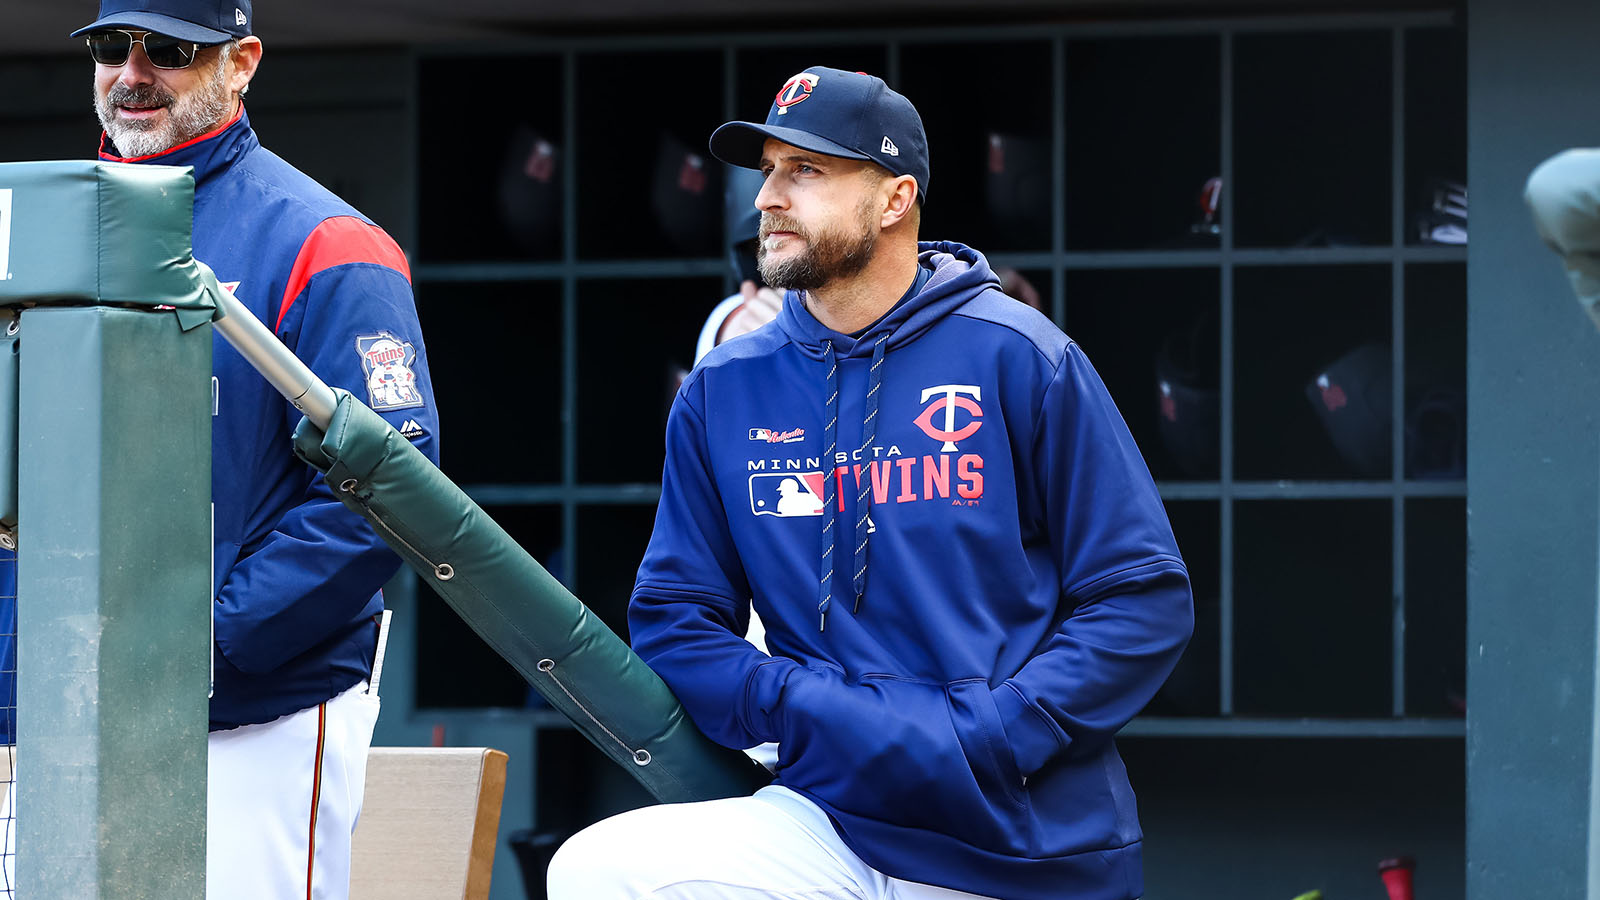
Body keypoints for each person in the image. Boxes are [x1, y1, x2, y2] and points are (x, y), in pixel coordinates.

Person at [548, 66, 1193, 900]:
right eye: (768, 170)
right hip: (829, 815)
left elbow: (1141, 597)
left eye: (805, 171)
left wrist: (998, 731)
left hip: (1016, 828)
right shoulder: (725, 388)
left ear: (894, 200)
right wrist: (797, 703)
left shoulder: (1018, 355)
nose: (768, 198)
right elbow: (675, 619)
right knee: (600, 871)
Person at [0, 3, 439, 898]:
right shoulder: (33, 229)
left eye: (169, 50)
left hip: (248, 711)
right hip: (44, 700)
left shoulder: (324, 239)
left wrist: (210, 638)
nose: (132, 73)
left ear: (241, 63)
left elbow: (390, 487)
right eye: (107, 48)